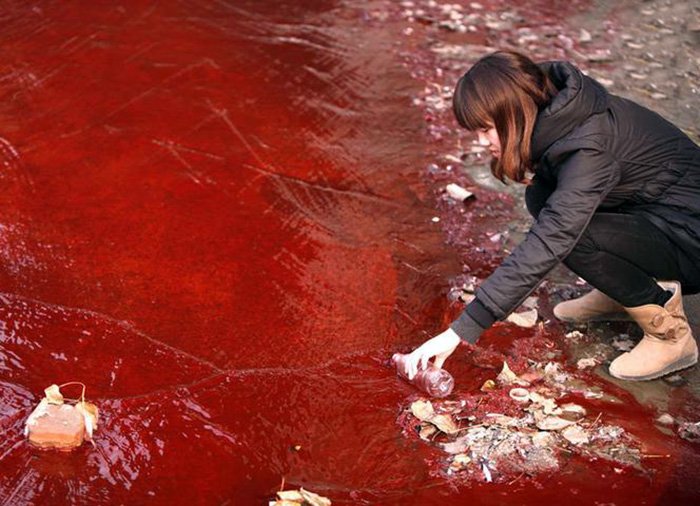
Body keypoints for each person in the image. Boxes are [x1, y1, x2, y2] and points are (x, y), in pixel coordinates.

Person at [402, 50, 700, 382]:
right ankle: (625, 291)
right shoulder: (560, 111)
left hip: (691, 238)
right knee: (542, 196)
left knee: (570, 233)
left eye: (487, 129)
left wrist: (463, 328)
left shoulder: (588, 147)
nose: (481, 142)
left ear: (515, 112)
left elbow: (553, 236)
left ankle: (670, 334)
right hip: (660, 214)